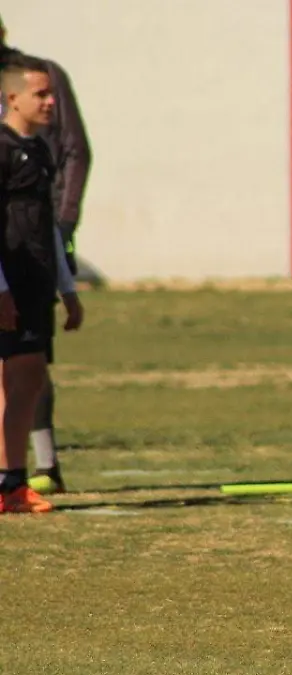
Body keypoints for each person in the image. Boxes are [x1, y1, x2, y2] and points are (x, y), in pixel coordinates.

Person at [0, 14, 91, 493]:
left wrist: (67, 285)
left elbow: (48, 219)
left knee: (28, 373)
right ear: (13, 99)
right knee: (13, 376)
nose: (51, 102)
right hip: (8, 276)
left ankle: (22, 476)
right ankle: (10, 479)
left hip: (34, 272)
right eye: (43, 96)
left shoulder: (38, 148)